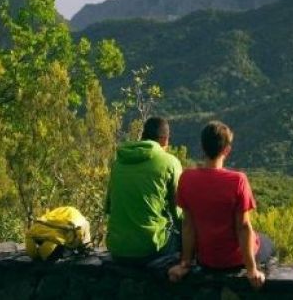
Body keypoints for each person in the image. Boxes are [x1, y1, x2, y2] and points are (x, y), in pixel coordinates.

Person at [168, 121, 272, 288]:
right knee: (267, 242)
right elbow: (243, 227)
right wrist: (252, 269)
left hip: (206, 259)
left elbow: (188, 225)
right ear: (227, 150)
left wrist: (185, 263)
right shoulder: (238, 180)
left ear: (202, 148)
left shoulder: (186, 178)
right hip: (234, 260)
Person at [106, 117, 183, 265]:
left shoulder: (118, 162)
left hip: (116, 248)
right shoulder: (170, 162)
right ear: (164, 139)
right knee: (185, 241)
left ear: (143, 136)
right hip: (150, 248)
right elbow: (178, 213)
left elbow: (109, 207)